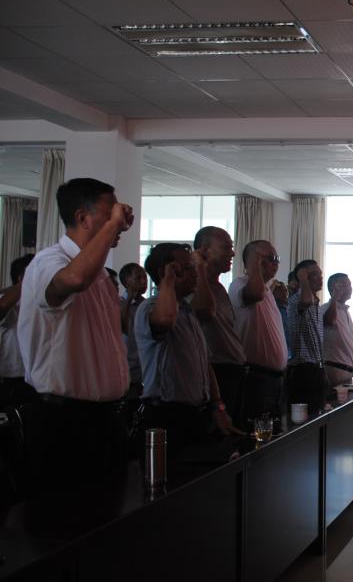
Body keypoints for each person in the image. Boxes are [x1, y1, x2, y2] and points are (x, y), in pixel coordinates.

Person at [17, 177, 134, 491]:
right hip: (64, 420)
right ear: (83, 218)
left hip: (106, 418)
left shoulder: (102, 276)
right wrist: (113, 226)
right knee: (67, 514)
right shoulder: (49, 261)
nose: (120, 224)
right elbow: (74, 279)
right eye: (110, 214)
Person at [136, 243, 235, 456]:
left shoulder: (188, 312)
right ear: (165, 272)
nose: (194, 273)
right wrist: (168, 281)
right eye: (187, 268)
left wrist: (218, 406)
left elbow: (204, 363)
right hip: (167, 414)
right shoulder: (150, 307)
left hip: (196, 414)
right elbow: (165, 320)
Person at [192, 227, 248, 421]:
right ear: (204, 250)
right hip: (216, 372)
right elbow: (204, 311)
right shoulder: (195, 285)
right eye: (226, 247)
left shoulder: (219, 287)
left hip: (233, 371)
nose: (232, 253)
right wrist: (199, 268)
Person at [229, 240, 288, 422]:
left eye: (277, 258)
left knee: (275, 432)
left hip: (273, 379)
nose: (276, 263)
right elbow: (254, 294)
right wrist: (254, 265)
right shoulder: (239, 284)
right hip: (255, 377)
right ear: (255, 261)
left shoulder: (267, 290)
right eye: (270, 258)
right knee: (257, 433)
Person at [286, 259, 329, 410]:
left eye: (320, 274)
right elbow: (305, 301)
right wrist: (302, 279)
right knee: (305, 417)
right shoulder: (296, 299)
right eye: (315, 274)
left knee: (319, 412)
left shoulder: (316, 304)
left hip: (317, 368)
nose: (320, 278)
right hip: (302, 370)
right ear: (303, 276)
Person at [0, 254, 35, 407]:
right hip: (14, 375)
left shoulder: (44, 298)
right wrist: (27, 282)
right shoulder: (6, 298)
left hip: (39, 375)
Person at [118, 262, 148, 398]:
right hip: (126, 368)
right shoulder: (118, 303)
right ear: (126, 282)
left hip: (143, 369)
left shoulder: (146, 305)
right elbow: (121, 327)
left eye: (145, 277)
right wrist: (129, 298)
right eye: (138, 278)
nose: (143, 281)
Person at [321, 273, 353, 387]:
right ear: (333, 288)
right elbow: (328, 321)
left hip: (348, 369)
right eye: (344, 285)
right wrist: (334, 298)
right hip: (335, 368)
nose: (349, 288)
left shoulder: (346, 311)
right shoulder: (325, 308)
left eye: (350, 284)